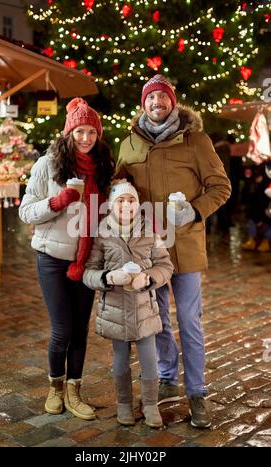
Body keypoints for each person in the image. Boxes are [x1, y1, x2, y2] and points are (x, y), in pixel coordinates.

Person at [116, 74, 231, 428]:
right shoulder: (129, 145)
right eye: (151, 98)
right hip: (150, 250)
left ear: (173, 102)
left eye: (163, 98)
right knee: (158, 319)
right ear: (143, 104)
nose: (156, 104)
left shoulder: (196, 141)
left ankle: (197, 392)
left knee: (190, 322)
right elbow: (120, 187)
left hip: (186, 246)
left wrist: (194, 209)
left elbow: (220, 186)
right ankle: (167, 377)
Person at [19, 98, 115, 419]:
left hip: (86, 260)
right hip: (52, 258)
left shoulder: (102, 168)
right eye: (79, 131)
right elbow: (25, 211)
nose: (86, 138)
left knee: (80, 330)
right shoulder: (48, 165)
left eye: (91, 132)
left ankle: (75, 390)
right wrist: (57, 201)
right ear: (68, 133)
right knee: (62, 329)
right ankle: (55, 387)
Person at [83, 180, 173, 428]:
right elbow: (89, 271)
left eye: (131, 200)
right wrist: (108, 277)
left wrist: (149, 278)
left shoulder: (150, 232)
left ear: (138, 204)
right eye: (120, 201)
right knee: (120, 360)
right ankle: (124, 403)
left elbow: (165, 265)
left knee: (148, 359)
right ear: (111, 205)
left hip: (144, 309)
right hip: (115, 309)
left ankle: (151, 403)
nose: (126, 205)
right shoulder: (101, 234)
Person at [241, 163, 271, 252]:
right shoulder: (252, 184)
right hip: (257, 209)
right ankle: (252, 240)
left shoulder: (266, 183)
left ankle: (266, 241)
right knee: (252, 220)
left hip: (267, 208)